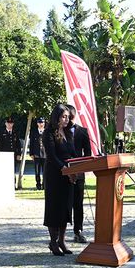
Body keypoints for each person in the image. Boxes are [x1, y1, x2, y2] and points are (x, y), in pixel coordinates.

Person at [42, 104, 77, 256]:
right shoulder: (48, 133)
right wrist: (65, 170)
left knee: (65, 208)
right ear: (56, 117)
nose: (66, 119)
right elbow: (52, 156)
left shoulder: (68, 132)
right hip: (54, 175)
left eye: (68, 117)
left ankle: (62, 241)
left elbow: (73, 153)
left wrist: (77, 166)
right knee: (54, 208)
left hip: (68, 175)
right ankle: (53, 242)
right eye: (63, 117)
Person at [67, 105, 92, 243]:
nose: (68, 120)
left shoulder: (82, 131)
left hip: (78, 174)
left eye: (70, 117)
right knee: (64, 203)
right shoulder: (59, 131)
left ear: (74, 116)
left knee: (78, 204)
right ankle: (59, 233)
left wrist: (81, 167)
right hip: (63, 172)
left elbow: (87, 154)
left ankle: (78, 231)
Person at [29, 117, 46, 190]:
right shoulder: (34, 132)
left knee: (45, 171)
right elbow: (31, 144)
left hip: (45, 155)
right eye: (39, 123)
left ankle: (44, 185)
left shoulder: (47, 132)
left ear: (44, 123)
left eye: (42, 122)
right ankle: (38, 184)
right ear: (37, 124)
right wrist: (31, 154)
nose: (41, 124)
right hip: (36, 155)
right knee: (37, 171)